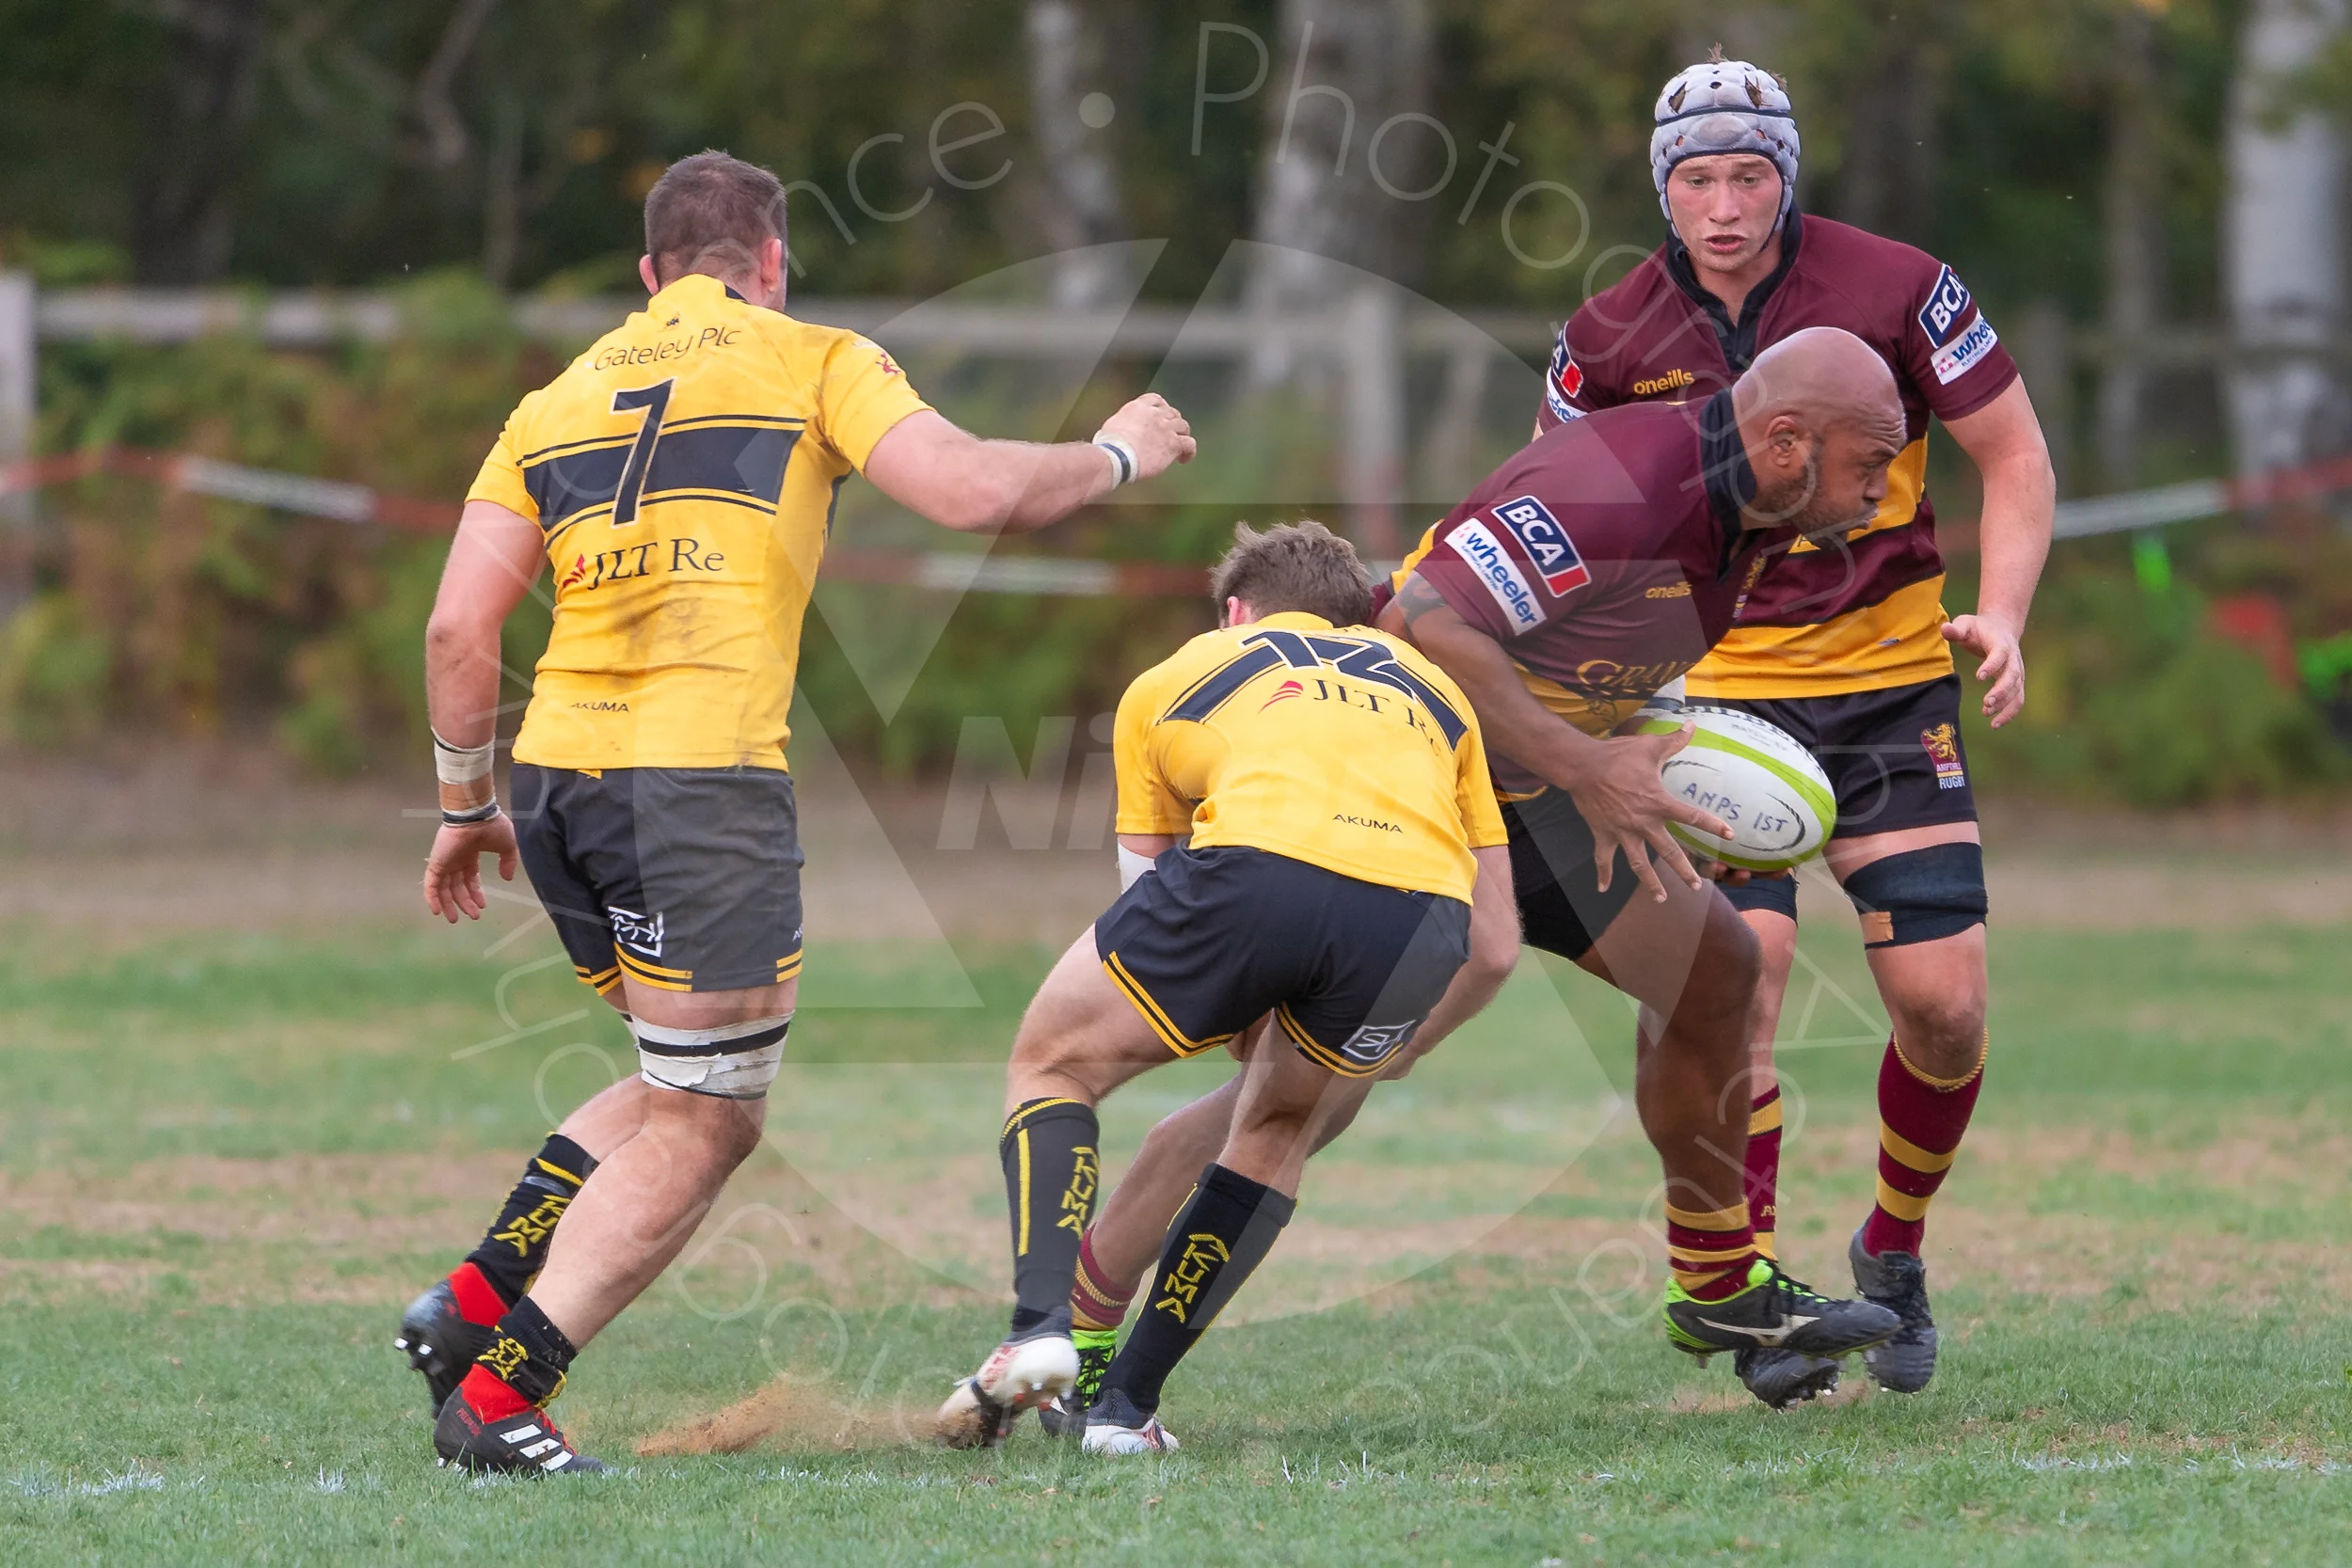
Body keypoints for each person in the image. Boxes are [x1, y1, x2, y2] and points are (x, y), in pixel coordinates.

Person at [402, 150, 1194, 1474]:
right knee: (709, 1117)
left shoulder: (551, 401)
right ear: (771, 262)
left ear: (649, 273)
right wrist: (1120, 451)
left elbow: (455, 628)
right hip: (696, 788)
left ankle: (472, 1301)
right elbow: (974, 491)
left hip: (555, 786)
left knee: (676, 1079)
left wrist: (462, 801)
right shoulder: (812, 356)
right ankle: (497, 1395)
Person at [1054, 329, 1913, 1412]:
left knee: (1715, 971)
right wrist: (1586, 766)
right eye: (1868, 464)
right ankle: (1077, 1337)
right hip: (1409, 778)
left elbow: (1616, 642)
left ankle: (1717, 1284)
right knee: (1296, 1096)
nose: (1879, 492)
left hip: (1537, 793)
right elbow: (1426, 620)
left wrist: (1639, 749)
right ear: (1785, 442)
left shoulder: (1748, 520)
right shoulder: (1616, 484)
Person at [1534, 52, 2057, 1403]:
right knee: (1741, 982)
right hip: (1709, 699)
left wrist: (2003, 613)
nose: (1723, 206)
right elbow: (1569, 512)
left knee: (1944, 1008)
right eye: (1698, 180)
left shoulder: (1899, 286)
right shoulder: (1607, 337)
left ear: (1787, 177)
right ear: (1663, 188)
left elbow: (2013, 452)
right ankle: (1760, 1295)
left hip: (1889, 685)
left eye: (1748, 176)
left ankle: (1894, 1248)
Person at [931, 519, 1519, 1456]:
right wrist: (1399, 1043)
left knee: (1057, 1062)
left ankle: (1040, 1325)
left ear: (1236, 612)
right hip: (1419, 921)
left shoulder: (1188, 667)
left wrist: (1235, 997)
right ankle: (1125, 1409)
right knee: (1276, 1128)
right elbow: (1494, 947)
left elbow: (1148, 886)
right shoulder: (1438, 693)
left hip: (1254, 869)